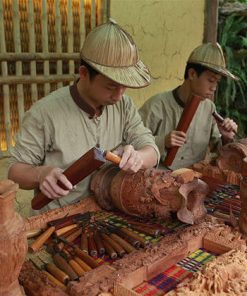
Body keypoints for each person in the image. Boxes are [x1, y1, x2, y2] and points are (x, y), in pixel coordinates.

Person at [8, 19, 159, 213]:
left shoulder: (124, 105)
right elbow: (14, 172)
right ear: (84, 73)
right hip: (57, 217)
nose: (119, 95)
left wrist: (138, 157)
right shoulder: (44, 113)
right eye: (111, 86)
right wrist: (40, 174)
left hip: (105, 212)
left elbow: (152, 151)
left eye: (125, 87)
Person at [139, 42, 238, 170]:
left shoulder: (209, 108)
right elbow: (133, 142)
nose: (214, 88)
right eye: (211, 80)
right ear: (192, 74)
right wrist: (163, 141)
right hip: (159, 176)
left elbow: (219, 153)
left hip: (195, 176)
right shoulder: (157, 105)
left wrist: (226, 137)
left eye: (217, 82)